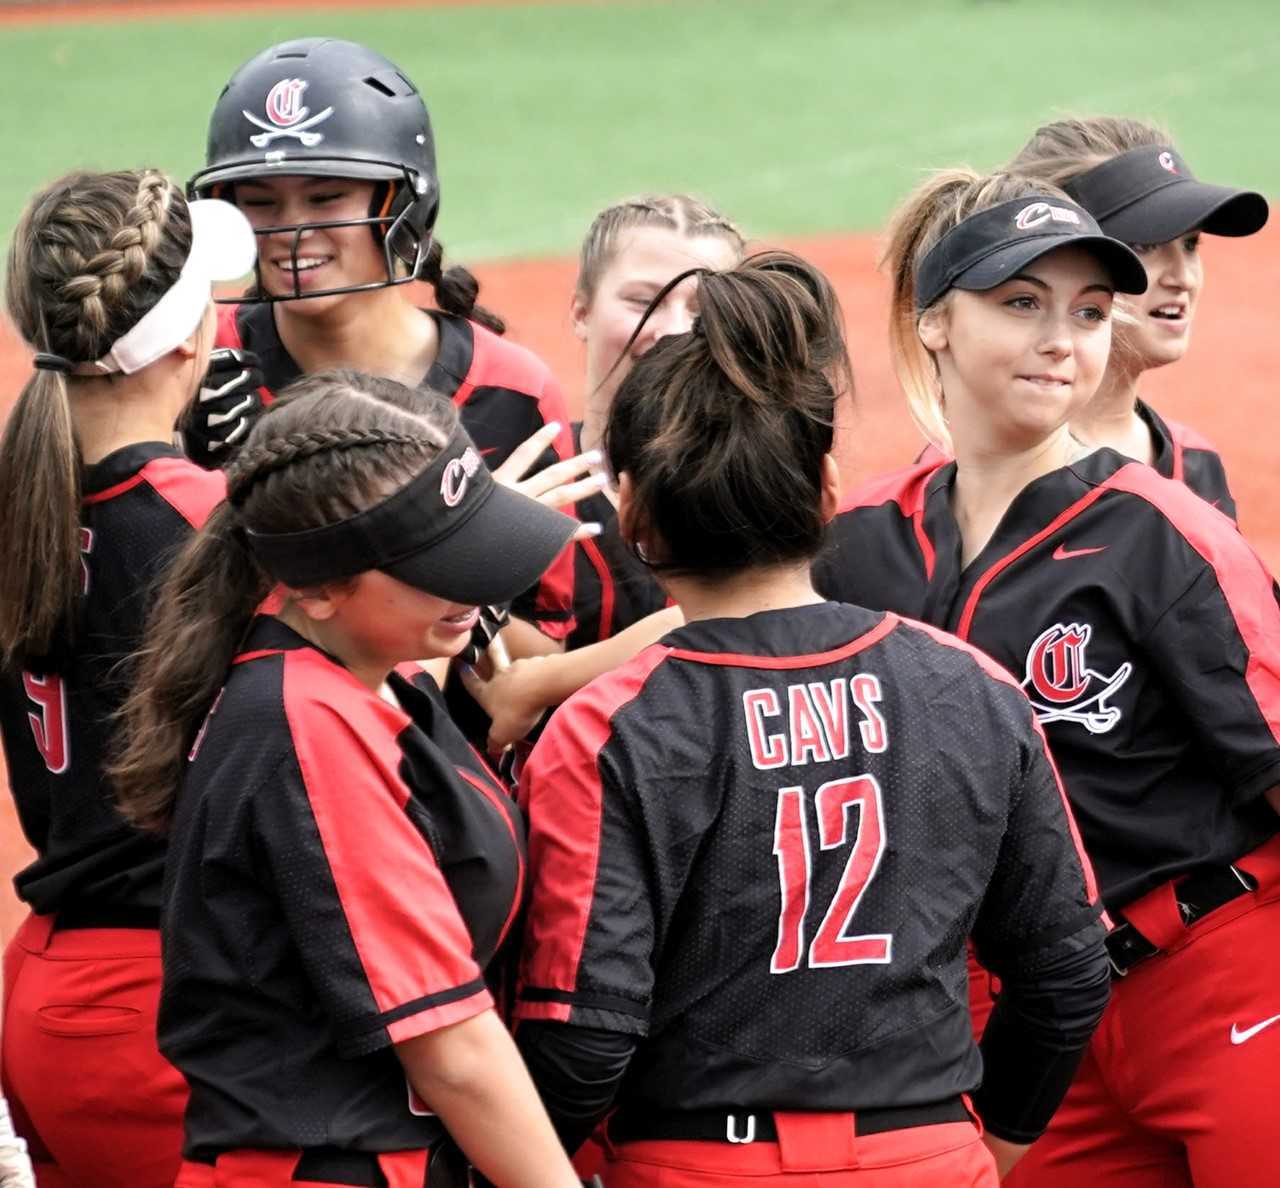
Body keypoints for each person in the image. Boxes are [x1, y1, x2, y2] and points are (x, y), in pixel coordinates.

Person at [512, 250, 1111, 1186]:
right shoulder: (972, 685)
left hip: (700, 1166)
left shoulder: (605, 725)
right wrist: (977, 1151)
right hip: (931, 1159)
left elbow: (587, 1030)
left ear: (632, 515)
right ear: (827, 491)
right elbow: (1068, 971)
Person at [818, 169, 1280, 1187]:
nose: (1059, 339)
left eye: (1085, 312)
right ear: (932, 323)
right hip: (1033, 1019)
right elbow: (720, 631)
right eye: (1019, 304)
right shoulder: (860, 546)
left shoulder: (1162, 537)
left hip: (1223, 980)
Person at [112, 371, 582, 1188]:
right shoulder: (311, 722)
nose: (472, 579)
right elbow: (451, 1045)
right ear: (318, 588)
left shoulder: (365, 678)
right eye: (436, 556)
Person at [0, 168, 256, 1187]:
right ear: (195, 336)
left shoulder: (25, 501)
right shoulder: (208, 529)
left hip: (55, 997)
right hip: (176, 1015)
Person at [188, 36, 595, 654]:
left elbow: (547, 650)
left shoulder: (509, 391)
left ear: (404, 204)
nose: (292, 232)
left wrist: (456, 551)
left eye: (326, 198)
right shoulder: (195, 365)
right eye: (260, 203)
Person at [1006, 117, 1268, 518]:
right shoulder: (979, 477)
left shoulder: (1198, 468)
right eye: (1145, 244)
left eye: (1191, 244)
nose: (1182, 276)